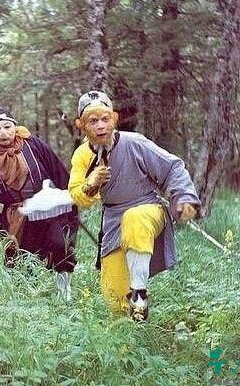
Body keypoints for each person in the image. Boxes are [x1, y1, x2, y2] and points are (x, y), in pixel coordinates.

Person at [68, 90, 200, 321]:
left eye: (105, 119)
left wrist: (184, 197)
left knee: (134, 217)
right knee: (114, 298)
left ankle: (139, 293)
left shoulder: (134, 143)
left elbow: (172, 167)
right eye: (93, 121)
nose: (100, 126)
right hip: (113, 221)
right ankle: (133, 332)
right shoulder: (81, 155)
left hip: (147, 209)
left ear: (114, 119)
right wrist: (91, 184)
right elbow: (77, 195)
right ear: (81, 125)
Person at [0, 107, 79, 301]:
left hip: (47, 209)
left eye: (7, 126)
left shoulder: (34, 145)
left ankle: (64, 294)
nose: (3, 132)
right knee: (21, 260)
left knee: (60, 245)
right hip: (17, 217)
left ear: (16, 128)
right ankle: (29, 301)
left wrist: (70, 204)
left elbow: (58, 172)